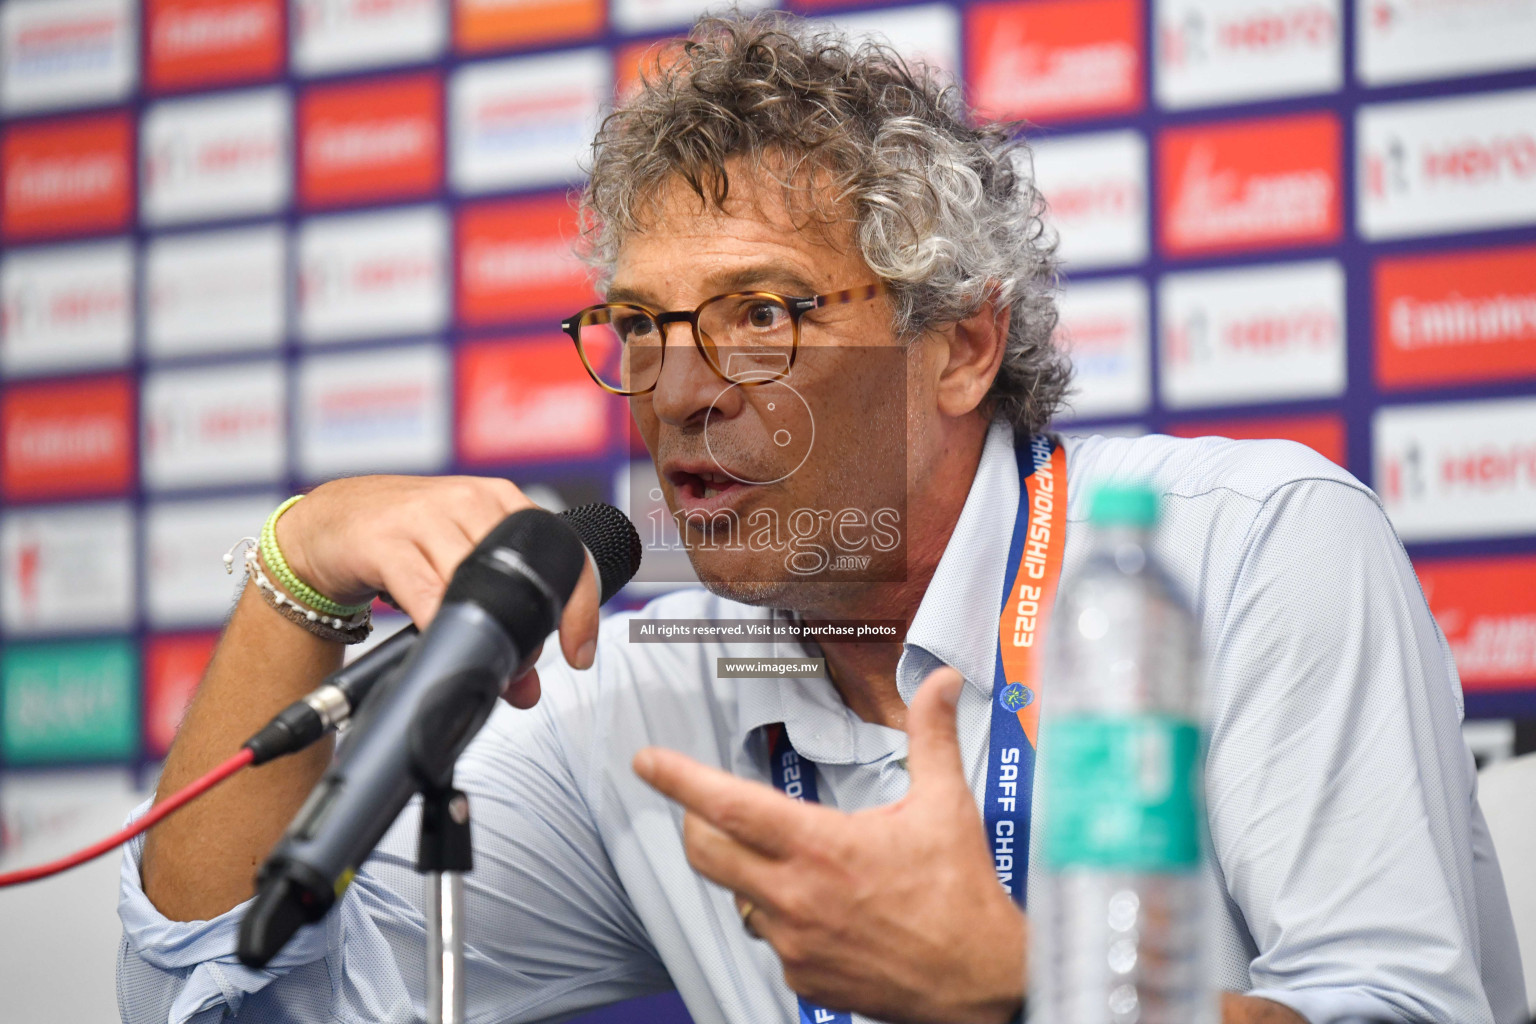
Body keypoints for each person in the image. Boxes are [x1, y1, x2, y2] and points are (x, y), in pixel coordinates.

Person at [119, 14, 1526, 1024]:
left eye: (762, 316)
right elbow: (225, 997)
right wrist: (298, 566)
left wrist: (1026, 993)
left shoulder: (1249, 552)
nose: (677, 390)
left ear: (962, 346)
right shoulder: (646, 696)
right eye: (640, 328)